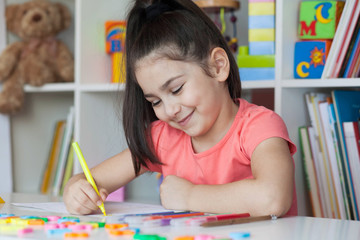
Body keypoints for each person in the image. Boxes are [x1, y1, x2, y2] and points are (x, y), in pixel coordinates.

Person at [64, 0, 297, 217]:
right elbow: (89, 179)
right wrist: (76, 191)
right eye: (155, 101)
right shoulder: (162, 138)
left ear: (218, 66)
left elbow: (273, 198)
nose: (170, 109)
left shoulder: (260, 126)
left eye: (176, 89)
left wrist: (190, 196)